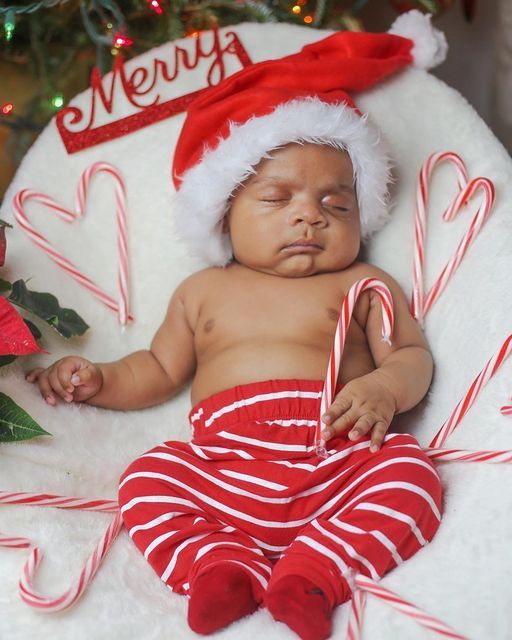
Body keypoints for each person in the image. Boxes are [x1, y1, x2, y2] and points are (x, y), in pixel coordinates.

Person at [26, 14, 447, 640]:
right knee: (147, 479)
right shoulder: (203, 292)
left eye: (337, 203)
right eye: (278, 200)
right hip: (224, 468)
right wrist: (99, 380)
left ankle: (316, 573)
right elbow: (160, 369)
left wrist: (386, 388)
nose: (310, 217)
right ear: (225, 213)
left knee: (413, 474)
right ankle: (219, 568)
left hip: (336, 457)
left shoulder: (361, 283)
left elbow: (410, 354)